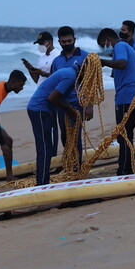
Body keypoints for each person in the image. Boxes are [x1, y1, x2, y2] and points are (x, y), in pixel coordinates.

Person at [97, 28, 135, 175]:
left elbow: (122, 63)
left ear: (108, 40)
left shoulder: (120, 46)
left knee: (123, 135)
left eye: (103, 45)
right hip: (134, 95)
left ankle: (124, 170)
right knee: (127, 134)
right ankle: (128, 167)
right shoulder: (130, 48)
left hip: (126, 97)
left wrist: (103, 61)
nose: (105, 48)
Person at [27, 66, 80, 185]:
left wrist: (70, 108)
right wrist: (69, 110)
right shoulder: (70, 76)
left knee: (47, 147)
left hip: (43, 110)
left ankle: (43, 180)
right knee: (45, 147)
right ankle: (42, 182)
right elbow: (52, 98)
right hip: (39, 109)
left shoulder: (69, 72)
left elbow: (59, 96)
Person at [50, 26, 93, 166]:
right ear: (59, 42)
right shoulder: (56, 61)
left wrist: (89, 105)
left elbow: (91, 81)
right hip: (61, 104)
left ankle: (77, 167)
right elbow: (53, 83)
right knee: (64, 135)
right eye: (64, 41)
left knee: (75, 136)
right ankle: (69, 163)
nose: (67, 43)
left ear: (74, 39)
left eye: (69, 41)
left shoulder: (85, 56)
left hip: (78, 102)